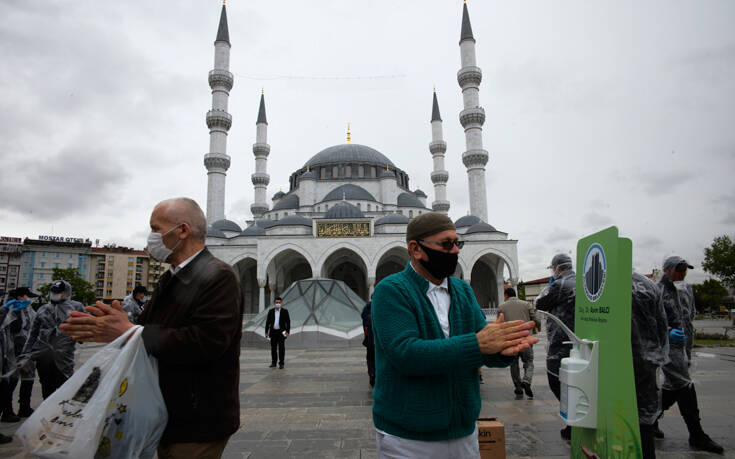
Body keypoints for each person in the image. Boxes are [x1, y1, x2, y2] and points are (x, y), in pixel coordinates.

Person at [60, 197, 243, 459]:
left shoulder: (219, 276)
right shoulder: (171, 277)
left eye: (156, 228)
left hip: (198, 419)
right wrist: (113, 326)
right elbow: (146, 331)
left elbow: (206, 342)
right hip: (163, 412)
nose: (151, 236)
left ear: (183, 229)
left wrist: (130, 331)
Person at [370, 212, 538, 458]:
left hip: (463, 431)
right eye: (445, 244)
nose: (454, 251)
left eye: (457, 243)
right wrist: (479, 344)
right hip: (408, 438)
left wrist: (504, 349)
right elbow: (406, 354)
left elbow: (482, 344)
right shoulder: (391, 291)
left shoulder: (461, 290)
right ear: (416, 249)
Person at [654, 256, 723, 454]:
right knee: (684, 385)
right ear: (668, 269)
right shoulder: (658, 291)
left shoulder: (683, 290)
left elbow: (688, 316)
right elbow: (652, 320)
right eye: (680, 269)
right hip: (668, 348)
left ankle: (649, 419)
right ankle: (697, 434)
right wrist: (667, 331)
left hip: (683, 347)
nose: (683, 273)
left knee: (673, 387)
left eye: (685, 269)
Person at [20, 280, 85, 400]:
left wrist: (80, 336)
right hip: (44, 357)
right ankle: (47, 413)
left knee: (64, 389)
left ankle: (59, 415)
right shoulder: (43, 309)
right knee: (47, 388)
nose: (55, 294)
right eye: (53, 292)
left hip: (64, 356)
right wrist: (26, 355)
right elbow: (33, 334)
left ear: (67, 293)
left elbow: (85, 327)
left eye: (59, 292)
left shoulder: (76, 307)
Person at [535, 253, 576, 440]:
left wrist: (550, 285)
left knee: (556, 380)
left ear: (558, 268)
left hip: (562, 341)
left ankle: (574, 420)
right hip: (577, 340)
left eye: (553, 269)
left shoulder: (560, 285)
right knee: (576, 381)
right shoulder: (581, 282)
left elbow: (539, 303)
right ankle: (574, 421)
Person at [630, 272, 669, 459]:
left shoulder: (599, 285)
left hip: (611, 361)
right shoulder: (648, 285)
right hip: (646, 360)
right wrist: (657, 354)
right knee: (643, 413)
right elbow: (662, 324)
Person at [0, 286, 39, 424]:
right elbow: (14, 333)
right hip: (14, 353)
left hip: (25, 352)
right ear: (21, 297)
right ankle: (7, 411)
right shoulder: (12, 310)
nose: (30, 299)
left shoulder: (27, 310)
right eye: (28, 296)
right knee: (10, 382)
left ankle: (24, 407)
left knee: (27, 379)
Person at [498, 287, 540, 400]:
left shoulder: (501, 307)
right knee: (529, 361)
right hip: (525, 339)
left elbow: (499, 325)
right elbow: (536, 319)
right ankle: (527, 380)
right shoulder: (526, 304)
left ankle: (518, 387)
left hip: (511, 341)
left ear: (506, 295)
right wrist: (536, 327)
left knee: (513, 363)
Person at [265, 297, 290, 369]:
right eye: (276, 302)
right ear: (274, 303)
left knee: (281, 348)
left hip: (281, 332)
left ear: (281, 303)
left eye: (279, 302)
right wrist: (266, 331)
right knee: (273, 348)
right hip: (273, 332)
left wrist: (287, 332)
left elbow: (288, 322)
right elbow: (267, 322)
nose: (278, 304)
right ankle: (274, 362)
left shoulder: (285, 311)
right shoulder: (271, 311)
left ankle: (281, 363)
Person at [361, 300, 375, 387]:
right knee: (372, 358)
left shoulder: (367, 309)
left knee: (370, 358)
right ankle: (372, 375)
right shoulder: (369, 309)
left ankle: (372, 375)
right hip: (372, 339)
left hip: (370, 340)